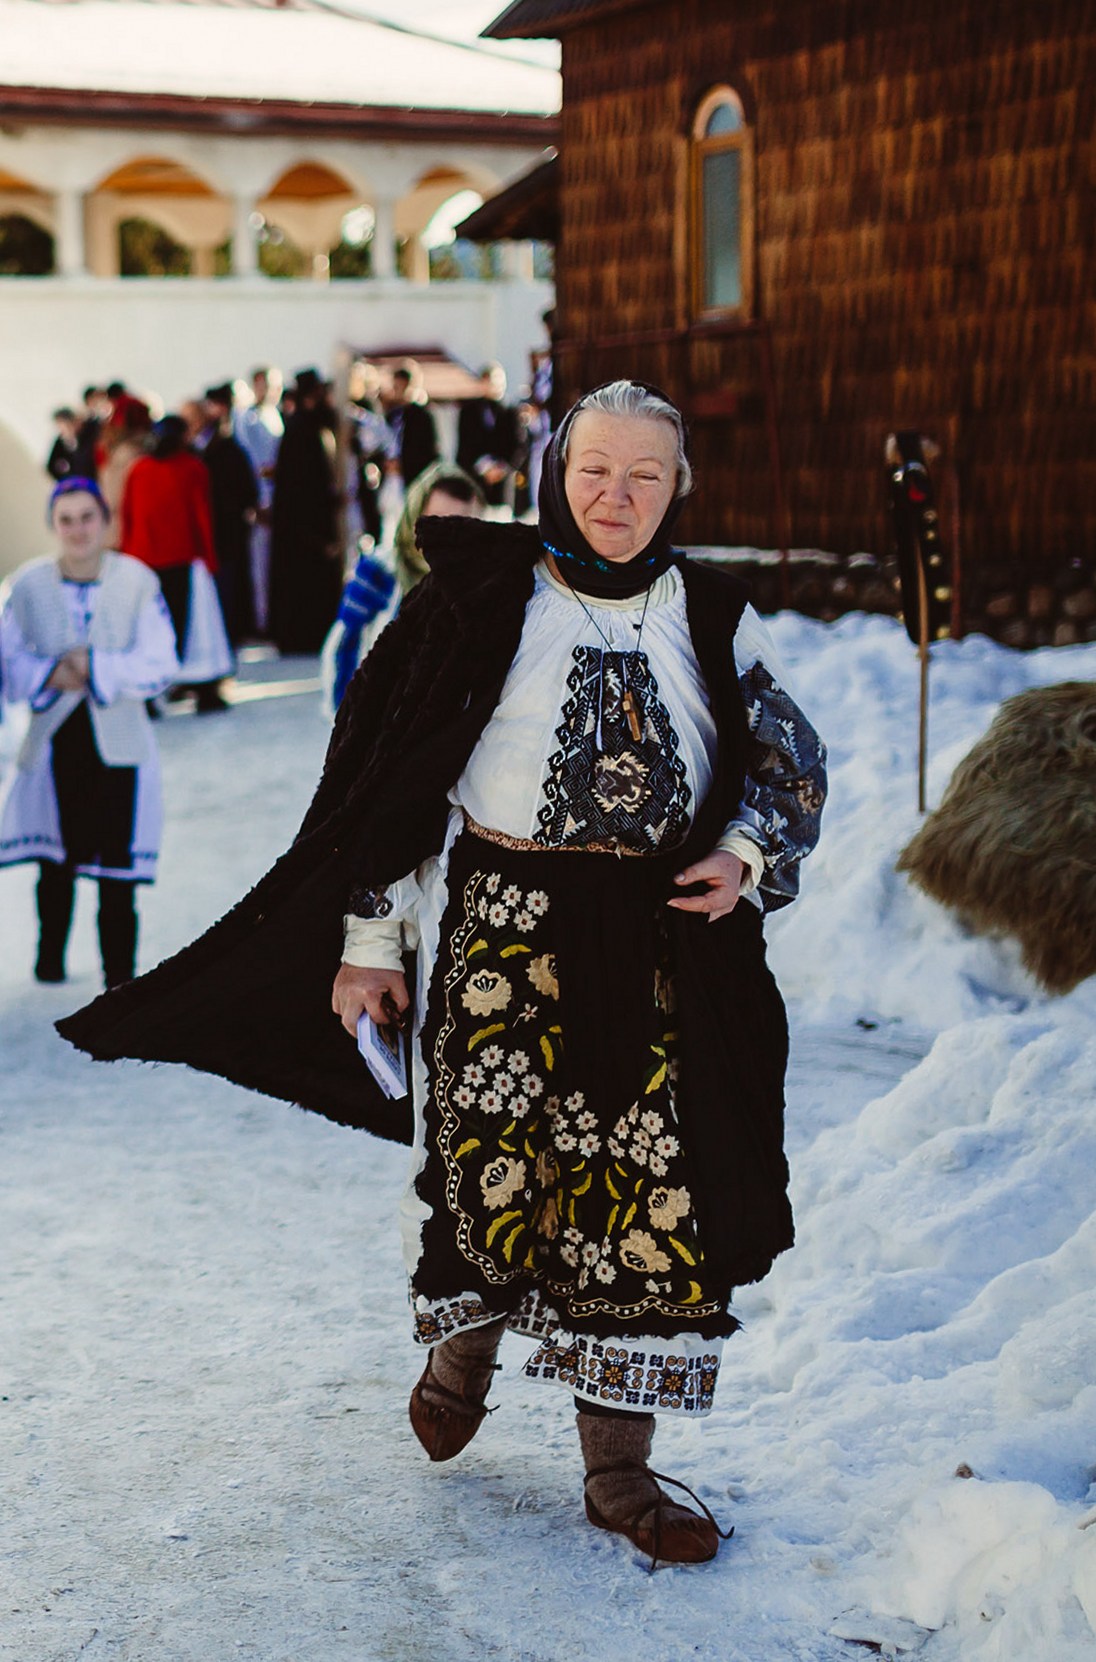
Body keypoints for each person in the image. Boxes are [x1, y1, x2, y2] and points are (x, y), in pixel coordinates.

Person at [57, 381, 827, 1568]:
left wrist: (743, 851)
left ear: (679, 491)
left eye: (645, 476)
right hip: (503, 927)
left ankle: (618, 1474)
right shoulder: (479, 601)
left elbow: (789, 762)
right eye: (594, 470)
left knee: (647, 1191)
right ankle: (463, 1353)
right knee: (495, 1168)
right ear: (554, 471)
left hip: (658, 937)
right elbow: (391, 777)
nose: (615, 497)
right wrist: (368, 946)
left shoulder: (716, 614)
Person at [0, 478, 177, 986]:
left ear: (105, 521)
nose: (78, 530)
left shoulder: (136, 580)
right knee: (57, 856)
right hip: (56, 739)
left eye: (87, 518)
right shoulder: (27, 585)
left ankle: (118, 972)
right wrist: (50, 673)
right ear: (53, 525)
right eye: (66, 520)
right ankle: (48, 960)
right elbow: (9, 656)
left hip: (117, 739)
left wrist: (95, 666)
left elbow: (160, 659)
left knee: (115, 860)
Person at [322, 461, 484, 718]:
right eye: (435, 522)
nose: (447, 537)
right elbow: (342, 651)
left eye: (462, 524)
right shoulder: (379, 574)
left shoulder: (485, 585)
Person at [120, 417, 234, 713]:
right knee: (195, 628)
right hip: (183, 557)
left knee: (150, 627)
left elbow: (128, 516)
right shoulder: (192, 468)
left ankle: (149, 695)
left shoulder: (139, 470)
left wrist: (127, 557)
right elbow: (201, 517)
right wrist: (210, 559)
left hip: (144, 560)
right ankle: (203, 690)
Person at [268, 368, 341, 655]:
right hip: (305, 524)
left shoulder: (304, 428)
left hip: (302, 523)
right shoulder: (304, 431)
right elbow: (306, 487)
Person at [202, 385, 259, 646]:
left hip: (224, 526)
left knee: (228, 580)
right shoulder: (226, 450)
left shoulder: (225, 451)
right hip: (227, 525)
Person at [234, 368, 284, 637]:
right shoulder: (249, 420)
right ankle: (260, 620)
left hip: (277, 496)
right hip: (262, 496)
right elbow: (250, 462)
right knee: (259, 564)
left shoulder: (275, 416)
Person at [456, 363, 520, 512]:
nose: (493, 385)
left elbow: (518, 446)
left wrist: (502, 468)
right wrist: (482, 468)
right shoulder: (468, 412)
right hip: (475, 482)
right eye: (489, 381)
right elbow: (464, 446)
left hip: (503, 483)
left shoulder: (511, 412)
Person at [386, 360, 439, 488]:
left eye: (403, 387)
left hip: (415, 481)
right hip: (391, 484)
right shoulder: (392, 415)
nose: (399, 391)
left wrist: (403, 465)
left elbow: (428, 453)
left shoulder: (423, 417)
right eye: (396, 386)